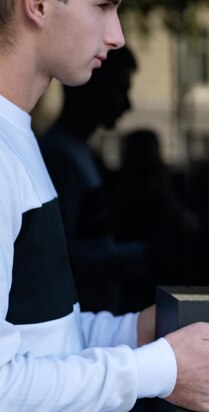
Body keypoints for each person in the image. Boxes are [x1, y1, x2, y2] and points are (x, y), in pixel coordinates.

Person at [0, 0, 209, 412]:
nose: (117, 35)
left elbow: (44, 337)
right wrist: (158, 369)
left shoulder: (18, 137)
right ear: (39, 5)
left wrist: (139, 331)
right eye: (103, 7)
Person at [38, 45, 152, 314]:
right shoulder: (59, 158)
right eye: (119, 89)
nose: (127, 104)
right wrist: (138, 258)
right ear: (90, 86)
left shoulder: (78, 152)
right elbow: (60, 258)